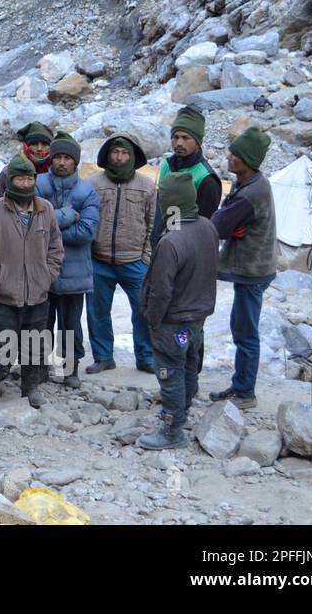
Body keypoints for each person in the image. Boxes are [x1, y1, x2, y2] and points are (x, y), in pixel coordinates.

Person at [0, 155, 63, 410]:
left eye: (29, 178)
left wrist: (47, 275)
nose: (25, 183)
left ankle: (30, 387)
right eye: (19, 178)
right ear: (10, 180)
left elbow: (56, 249)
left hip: (38, 292)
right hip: (4, 293)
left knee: (34, 344)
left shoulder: (45, 209)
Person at [138, 172, 220, 450]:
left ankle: (172, 430)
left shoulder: (171, 241)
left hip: (173, 321)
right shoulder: (207, 227)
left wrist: (152, 318)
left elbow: (161, 290)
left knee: (169, 372)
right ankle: (181, 410)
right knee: (187, 365)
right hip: (196, 318)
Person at [208, 126, 277, 410]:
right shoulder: (247, 184)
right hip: (251, 268)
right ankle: (240, 385)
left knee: (245, 332)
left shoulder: (252, 192)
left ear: (248, 160)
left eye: (235, 154)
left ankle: (245, 392)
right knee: (242, 328)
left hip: (252, 270)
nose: (229, 157)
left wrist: (230, 222)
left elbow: (218, 225)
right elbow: (227, 221)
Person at [85, 133, 157, 375]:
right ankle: (103, 357)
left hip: (135, 261)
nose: (119, 157)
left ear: (133, 156)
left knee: (143, 311)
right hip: (99, 260)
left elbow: (153, 223)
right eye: (115, 152)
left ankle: (146, 357)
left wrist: (146, 255)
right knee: (98, 313)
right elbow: (87, 219)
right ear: (107, 155)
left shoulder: (147, 185)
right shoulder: (93, 184)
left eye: (124, 153)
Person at [35, 132, 99, 387]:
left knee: (70, 324)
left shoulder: (87, 191)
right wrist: (66, 216)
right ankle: (38, 368)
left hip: (75, 272)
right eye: (57, 157)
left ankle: (70, 369)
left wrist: (47, 229)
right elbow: (30, 225)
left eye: (66, 158)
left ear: (75, 162)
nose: (61, 162)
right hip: (41, 269)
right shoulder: (39, 185)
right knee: (41, 322)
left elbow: (87, 232)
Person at [152, 106, 222, 248]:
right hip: (161, 242)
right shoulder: (167, 165)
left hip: (186, 248)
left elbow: (204, 226)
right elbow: (160, 207)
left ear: (197, 141)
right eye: (176, 137)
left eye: (186, 138)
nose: (179, 143)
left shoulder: (206, 178)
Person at [0, 122, 53, 197]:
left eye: (44, 144)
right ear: (26, 146)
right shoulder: (8, 173)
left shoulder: (56, 171)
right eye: (34, 144)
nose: (39, 149)